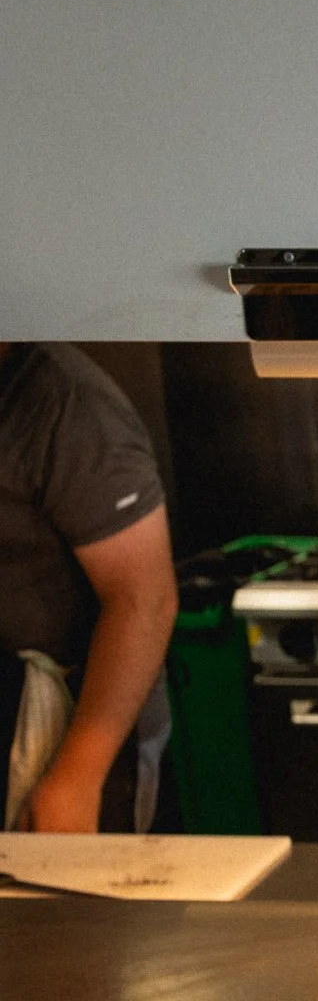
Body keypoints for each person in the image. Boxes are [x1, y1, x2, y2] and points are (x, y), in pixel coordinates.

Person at [0, 341, 177, 832]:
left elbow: (144, 600)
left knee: (65, 907)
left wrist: (76, 778)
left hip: (65, 722)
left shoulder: (65, 404)